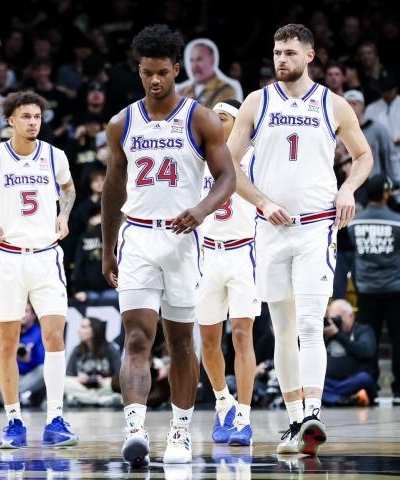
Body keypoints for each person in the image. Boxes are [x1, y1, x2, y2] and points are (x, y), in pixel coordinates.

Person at [225, 24, 373, 456]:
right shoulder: (257, 102)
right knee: (283, 329)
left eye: (290, 52)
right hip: (271, 228)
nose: (281, 59)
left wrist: (348, 189)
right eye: (277, 52)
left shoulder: (332, 104)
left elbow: (363, 156)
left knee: (310, 323)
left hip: (316, 227)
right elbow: (228, 166)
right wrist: (260, 201)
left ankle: (313, 414)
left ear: (310, 56)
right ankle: (296, 423)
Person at [101, 25, 236, 465]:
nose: (154, 80)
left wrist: (201, 209)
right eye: (147, 73)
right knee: (137, 337)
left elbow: (228, 178)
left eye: (162, 72)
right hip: (138, 236)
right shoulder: (121, 123)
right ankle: (135, 430)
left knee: (180, 342)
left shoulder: (201, 118)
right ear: (138, 71)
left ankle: (180, 432)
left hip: (182, 239)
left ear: (176, 69)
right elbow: (112, 189)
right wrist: (107, 247)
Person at [0, 90, 79, 449]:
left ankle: (56, 418)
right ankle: (13, 419)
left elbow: (69, 189)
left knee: (54, 336)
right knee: (7, 340)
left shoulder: (55, 156)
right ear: (10, 120)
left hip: (46, 255)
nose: (33, 122)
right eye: (26, 116)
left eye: (37, 117)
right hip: (9, 257)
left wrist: (64, 214)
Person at [196, 99, 260, 447]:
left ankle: (244, 417)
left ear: (238, 122)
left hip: (243, 252)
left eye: (222, 116)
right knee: (208, 340)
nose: (215, 121)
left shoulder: (253, 158)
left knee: (241, 335)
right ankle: (223, 402)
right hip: (206, 254)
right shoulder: (199, 158)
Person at [348, 175, 400, 404]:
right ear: (386, 194)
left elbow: (353, 246)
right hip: (397, 289)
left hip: (366, 290)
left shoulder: (354, 223)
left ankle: (371, 389)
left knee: (369, 341)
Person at [0, 303, 47, 407]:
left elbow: (43, 362)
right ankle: (14, 398)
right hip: (5, 377)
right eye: (19, 311)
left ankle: (5, 398)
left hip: (26, 378)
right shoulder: (3, 333)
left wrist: (29, 360)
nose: (21, 314)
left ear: (33, 315)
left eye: (26, 311)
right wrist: (5, 352)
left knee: (44, 369)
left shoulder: (40, 333)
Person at [323, 299, 377, 406]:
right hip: (329, 382)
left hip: (352, 381)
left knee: (364, 378)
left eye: (337, 318)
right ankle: (343, 399)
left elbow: (366, 352)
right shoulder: (327, 333)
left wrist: (337, 335)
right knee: (310, 383)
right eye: (331, 319)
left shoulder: (362, 330)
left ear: (351, 316)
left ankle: (331, 398)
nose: (334, 323)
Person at [65, 317, 122, 407]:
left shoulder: (110, 349)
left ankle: (84, 400)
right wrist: (79, 379)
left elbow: (120, 376)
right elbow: (69, 375)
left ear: (94, 330)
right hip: (84, 388)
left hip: (104, 387)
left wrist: (107, 380)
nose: (79, 331)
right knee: (63, 382)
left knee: (115, 383)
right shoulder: (77, 350)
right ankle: (99, 400)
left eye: (83, 327)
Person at [177, 39, 243, 108]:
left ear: (212, 60)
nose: (194, 65)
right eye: (192, 60)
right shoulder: (184, 90)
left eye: (199, 59)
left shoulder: (226, 90)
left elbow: (219, 114)